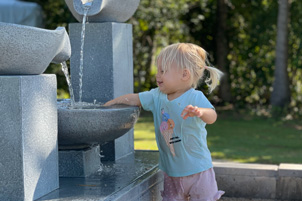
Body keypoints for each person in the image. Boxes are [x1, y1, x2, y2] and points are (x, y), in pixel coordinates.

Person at [104, 43, 225, 201]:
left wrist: (200, 112)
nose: (157, 75)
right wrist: (108, 105)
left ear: (184, 75)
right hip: (171, 171)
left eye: (163, 71)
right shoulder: (156, 96)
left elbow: (212, 116)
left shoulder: (195, 98)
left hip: (198, 170)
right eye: (158, 70)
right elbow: (134, 98)